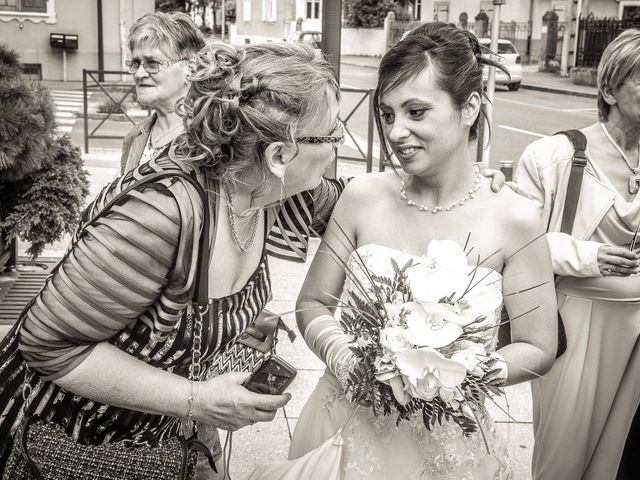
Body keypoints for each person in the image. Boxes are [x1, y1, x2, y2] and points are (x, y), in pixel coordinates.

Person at [0, 41, 350, 476]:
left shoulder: (264, 188)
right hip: (69, 442)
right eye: (334, 134)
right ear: (279, 155)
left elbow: (356, 198)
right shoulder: (159, 213)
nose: (338, 145)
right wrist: (199, 398)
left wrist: (231, 323)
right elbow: (48, 345)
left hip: (159, 442)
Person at [283, 22, 559, 479]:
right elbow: (312, 303)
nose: (395, 131)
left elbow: (538, 345)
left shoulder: (516, 219)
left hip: (450, 447)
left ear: (469, 107)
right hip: (344, 426)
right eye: (387, 114)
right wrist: (349, 361)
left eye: (415, 111)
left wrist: (456, 374)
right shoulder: (362, 197)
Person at [514, 29, 640, 480]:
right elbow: (516, 244)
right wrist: (588, 257)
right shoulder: (553, 156)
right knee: (564, 457)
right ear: (609, 88)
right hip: (576, 324)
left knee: (624, 454)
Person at [120, 11, 205, 174]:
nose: (139, 74)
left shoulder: (208, 140)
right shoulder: (134, 137)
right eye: (136, 63)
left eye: (152, 63)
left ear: (191, 69)